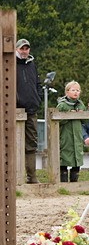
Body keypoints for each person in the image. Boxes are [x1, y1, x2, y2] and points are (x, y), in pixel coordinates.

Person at [15, 38, 40, 183]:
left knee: (31, 143)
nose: (24, 51)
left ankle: (32, 177)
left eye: (26, 48)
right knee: (11, 143)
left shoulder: (32, 65)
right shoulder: (10, 64)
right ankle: (14, 177)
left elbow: (37, 83)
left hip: (31, 109)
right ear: (17, 49)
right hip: (15, 110)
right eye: (22, 48)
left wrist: (38, 98)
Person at [56, 81, 86, 183]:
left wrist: (82, 115)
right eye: (73, 90)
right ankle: (63, 183)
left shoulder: (81, 105)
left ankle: (74, 183)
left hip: (77, 137)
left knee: (77, 159)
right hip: (65, 136)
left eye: (78, 90)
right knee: (64, 158)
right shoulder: (62, 105)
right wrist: (68, 115)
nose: (76, 92)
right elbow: (57, 121)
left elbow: (86, 121)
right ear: (67, 92)